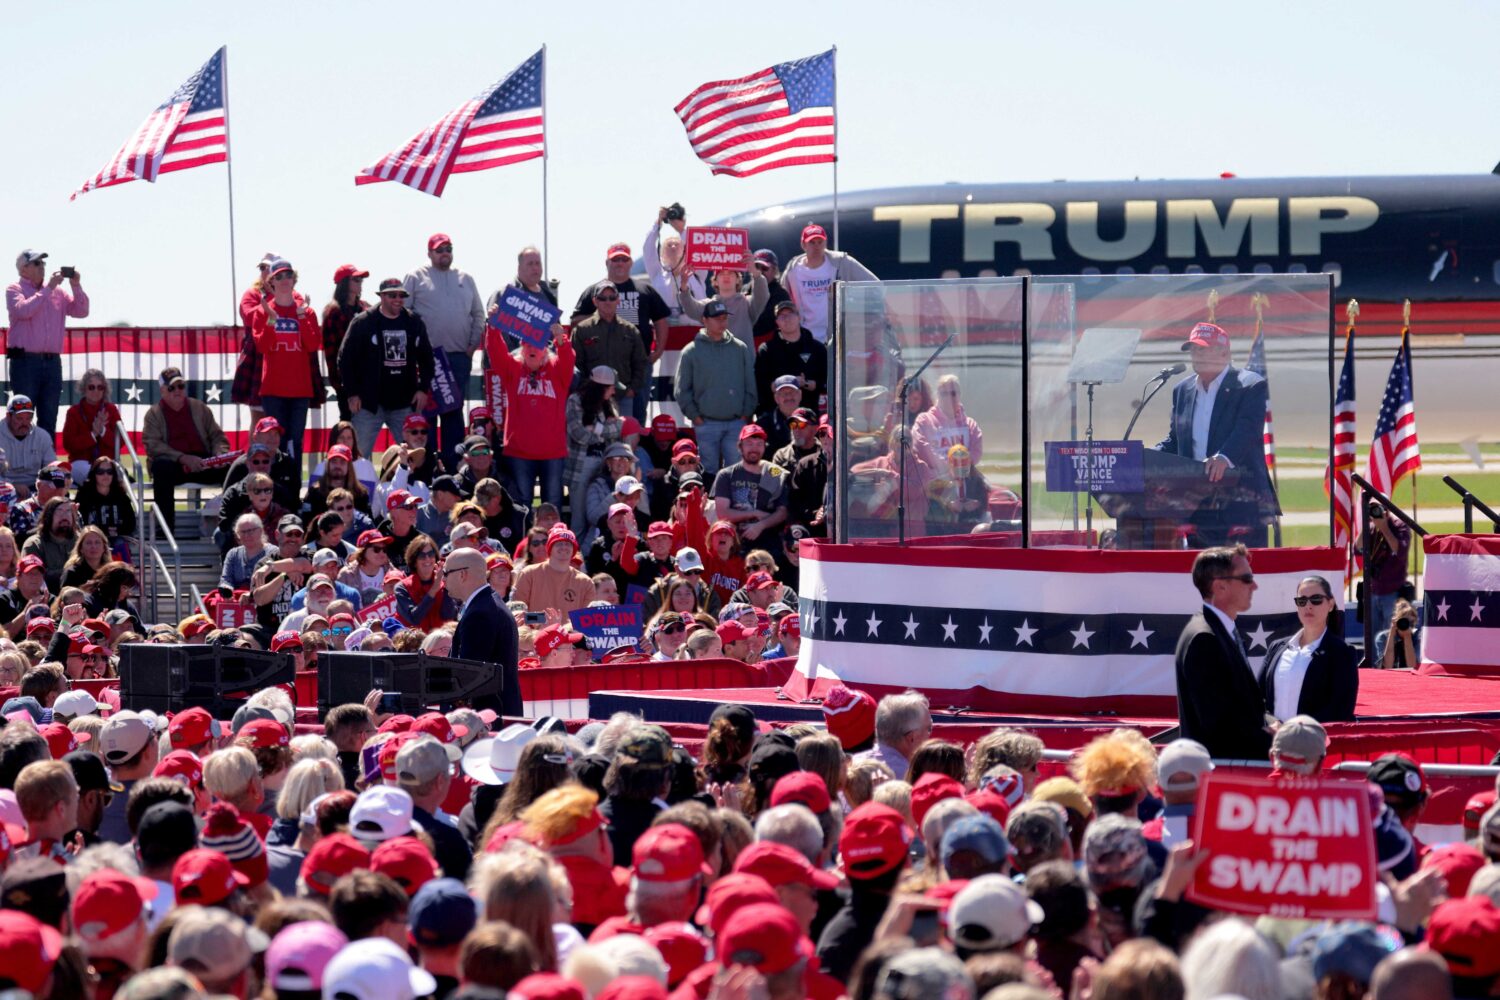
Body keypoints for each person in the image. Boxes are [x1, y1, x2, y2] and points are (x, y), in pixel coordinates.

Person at [1154, 321, 1279, 547]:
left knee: (1242, 572)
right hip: (1197, 504)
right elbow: (1175, 440)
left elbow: (1247, 430)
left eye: (1203, 349)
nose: (1197, 355)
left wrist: (1224, 457)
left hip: (1242, 503)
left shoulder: (1249, 385)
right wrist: (1146, 456)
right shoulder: (1182, 390)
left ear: (1224, 353)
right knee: (1202, 574)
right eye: (1194, 350)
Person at [1174, 544, 1273, 759]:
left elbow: (1242, 707)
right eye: (1246, 579)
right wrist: (1280, 743)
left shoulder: (1223, 630)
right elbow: (1219, 728)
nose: (1254, 586)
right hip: (1222, 776)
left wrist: (1274, 724)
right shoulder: (1204, 639)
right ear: (1220, 587)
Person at [404, 233, 486, 469]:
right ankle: (425, 471)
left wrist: (471, 347)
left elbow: (479, 315)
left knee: (453, 416)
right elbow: (404, 314)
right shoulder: (415, 276)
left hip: (458, 358)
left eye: (448, 248)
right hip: (427, 360)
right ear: (429, 253)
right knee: (425, 417)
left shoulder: (466, 278)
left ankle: (452, 472)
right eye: (439, 250)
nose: (444, 253)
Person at [570, 244, 670, 423]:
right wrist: (601, 317)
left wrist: (659, 351)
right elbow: (575, 321)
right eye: (615, 259)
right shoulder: (592, 290)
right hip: (598, 367)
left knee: (635, 417)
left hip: (637, 364)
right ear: (607, 263)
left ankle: (632, 449)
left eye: (624, 259)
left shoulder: (645, 289)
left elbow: (661, 320)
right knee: (595, 418)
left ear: (630, 263)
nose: (620, 263)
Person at [340, 278, 436, 459]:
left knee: (415, 455)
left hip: (404, 402)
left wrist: (423, 389)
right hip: (369, 403)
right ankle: (358, 488)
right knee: (358, 457)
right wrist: (352, 393)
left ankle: (414, 487)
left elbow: (427, 359)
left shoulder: (413, 322)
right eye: (392, 295)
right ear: (382, 296)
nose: (398, 299)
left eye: (402, 295)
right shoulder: (363, 322)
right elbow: (345, 360)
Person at [489, 320, 572, 510]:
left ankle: (553, 539)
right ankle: (522, 540)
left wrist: (561, 339)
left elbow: (567, 358)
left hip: (553, 453)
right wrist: (493, 328)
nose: (532, 349)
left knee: (552, 504)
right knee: (522, 505)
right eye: (528, 345)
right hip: (520, 453)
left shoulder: (558, 370)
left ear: (546, 348)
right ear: (522, 348)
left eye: (538, 345)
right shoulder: (512, 369)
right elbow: (496, 352)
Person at [6, 249, 89, 436]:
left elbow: (81, 311)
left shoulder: (57, 291)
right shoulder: (14, 289)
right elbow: (23, 311)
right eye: (37, 263)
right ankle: (20, 462)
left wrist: (76, 285)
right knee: (22, 415)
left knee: (49, 416)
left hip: (52, 362)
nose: (42, 266)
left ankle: (47, 464)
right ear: (23, 269)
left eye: (43, 263)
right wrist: (48, 289)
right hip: (25, 362)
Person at [250, 258, 325, 465]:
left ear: (294, 279)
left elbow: (312, 345)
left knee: (295, 443)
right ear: (271, 282)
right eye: (279, 276)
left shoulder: (307, 311)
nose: (284, 279)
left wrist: (300, 316)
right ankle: (273, 491)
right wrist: (272, 319)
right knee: (274, 444)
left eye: (288, 275)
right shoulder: (261, 311)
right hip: (273, 390)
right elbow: (262, 347)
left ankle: (292, 494)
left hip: (300, 390)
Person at [1259, 574, 1359, 722]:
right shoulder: (1276, 648)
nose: (1308, 605)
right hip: (1273, 741)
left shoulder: (1342, 653)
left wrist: (1296, 729)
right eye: (1302, 600)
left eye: (1316, 599)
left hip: (1313, 741)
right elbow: (1257, 699)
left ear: (1330, 604)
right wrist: (1273, 725)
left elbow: (1340, 709)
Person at [674, 301, 758, 477]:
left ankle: (735, 505)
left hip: (736, 422)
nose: (722, 322)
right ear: (704, 320)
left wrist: (745, 414)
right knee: (708, 471)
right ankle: (709, 504)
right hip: (706, 423)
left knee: (736, 472)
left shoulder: (740, 348)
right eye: (717, 318)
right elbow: (682, 389)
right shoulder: (691, 351)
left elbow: (750, 384)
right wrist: (695, 417)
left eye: (725, 318)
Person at [143, 367, 230, 534]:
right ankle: (166, 530)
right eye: (171, 387)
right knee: (160, 467)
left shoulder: (199, 407)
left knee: (235, 468)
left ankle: (229, 526)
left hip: (203, 462)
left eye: (180, 386)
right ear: (162, 391)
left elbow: (217, 436)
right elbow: (153, 445)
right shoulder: (153, 414)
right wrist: (182, 457)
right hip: (174, 464)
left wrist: (220, 455)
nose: (177, 391)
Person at [445, 548, 521, 716]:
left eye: (446, 573)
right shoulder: (487, 604)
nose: (442, 579)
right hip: (498, 716)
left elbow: (467, 677)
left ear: (462, 574)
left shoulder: (480, 613)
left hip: (488, 721)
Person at [571, 280, 651, 431]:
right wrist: (584, 391)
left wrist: (632, 389)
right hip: (591, 399)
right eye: (602, 298)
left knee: (622, 439)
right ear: (595, 301)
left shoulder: (630, 330)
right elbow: (576, 365)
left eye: (612, 297)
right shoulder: (582, 330)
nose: (608, 302)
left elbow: (641, 363)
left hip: (622, 397)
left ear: (618, 300)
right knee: (594, 438)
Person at [780, 224, 878, 344]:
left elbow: (873, 284)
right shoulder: (792, 270)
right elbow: (781, 304)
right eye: (812, 242)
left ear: (825, 243)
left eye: (820, 242)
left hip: (836, 339)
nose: (817, 247)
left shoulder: (842, 263)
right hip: (804, 340)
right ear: (803, 245)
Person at [712, 425, 789, 558]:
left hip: (768, 543)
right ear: (739, 446)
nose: (754, 448)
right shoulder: (726, 475)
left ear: (765, 447)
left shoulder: (775, 473)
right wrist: (754, 513)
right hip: (734, 543)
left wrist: (760, 525)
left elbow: (782, 512)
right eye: (749, 444)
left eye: (759, 444)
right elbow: (723, 513)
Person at [565, 367, 624, 535]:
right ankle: (576, 558)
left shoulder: (609, 405)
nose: (613, 392)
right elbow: (579, 435)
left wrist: (595, 428)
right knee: (579, 519)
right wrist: (604, 429)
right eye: (612, 387)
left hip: (604, 465)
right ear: (601, 387)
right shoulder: (574, 401)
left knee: (602, 514)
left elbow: (618, 429)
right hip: (581, 466)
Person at [678, 252, 769, 348]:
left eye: (730, 273)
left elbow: (762, 296)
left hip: (743, 361)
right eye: (721, 273)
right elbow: (691, 310)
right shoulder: (708, 305)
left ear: (738, 279)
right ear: (715, 281)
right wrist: (684, 285)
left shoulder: (747, 303)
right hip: (716, 360)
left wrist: (755, 272)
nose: (726, 276)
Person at [485, 246, 560, 351]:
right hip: (511, 363)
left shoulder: (549, 297)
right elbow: (497, 334)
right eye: (530, 264)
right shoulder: (503, 294)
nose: (535, 268)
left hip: (543, 363)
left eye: (538, 263)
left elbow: (555, 335)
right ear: (519, 268)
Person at [322, 263, 371, 421]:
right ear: (344, 283)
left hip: (367, 379)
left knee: (366, 424)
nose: (360, 282)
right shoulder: (333, 312)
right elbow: (331, 351)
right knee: (348, 424)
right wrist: (339, 384)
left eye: (360, 279)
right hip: (346, 381)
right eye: (355, 279)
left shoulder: (365, 308)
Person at [1366, 502, 1412, 660]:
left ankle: (1389, 665)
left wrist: (1384, 527)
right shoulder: (1371, 529)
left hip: (1392, 593)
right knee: (1372, 637)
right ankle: (1374, 665)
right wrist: (1367, 524)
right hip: (1373, 591)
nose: (1376, 513)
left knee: (1390, 635)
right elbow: (1357, 548)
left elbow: (1399, 550)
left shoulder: (1400, 527)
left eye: (1378, 509)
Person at [61, 368, 122, 484]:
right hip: (81, 462)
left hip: (107, 461)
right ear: (84, 388)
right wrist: (92, 434)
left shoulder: (111, 410)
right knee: (97, 476)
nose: (96, 391)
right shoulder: (73, 412)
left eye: (100, 387)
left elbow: (121, 442)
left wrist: (103, 431)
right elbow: (68, 444)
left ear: (105, 390)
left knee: (107, 473)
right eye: (91, 387)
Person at [74, 457, 137, 552]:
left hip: (117, 537)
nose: (105, 475)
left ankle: (122, 567)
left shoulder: (121, 495)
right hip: (91, 538)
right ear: (94, 474)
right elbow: (79, 522)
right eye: (100, 472)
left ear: (113, 475)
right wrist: (102, 531)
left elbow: (130, 522)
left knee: (119, 544)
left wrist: (117, 531)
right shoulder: (84, 495)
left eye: (109, 471)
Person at [0, 395, 57, 494]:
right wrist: (12, 486)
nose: (24, 423)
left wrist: (44, 484)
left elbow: (51, 467)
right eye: (19, 418)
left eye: (28, 418)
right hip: (4, 487)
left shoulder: (42, 436)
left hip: (37, 487)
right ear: (8, 416)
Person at [751, 249, 794, 341]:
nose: (760, 272)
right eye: (756, 267)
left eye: (765, 268)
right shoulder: (745, 290)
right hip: (748, 343)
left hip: (770, 345)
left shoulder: (781, 295)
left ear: (775, 270)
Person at [1380, 598, 1422, 670]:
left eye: (1410, 622)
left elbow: (1412, 666)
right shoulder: (1383, 637)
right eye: (1403, 621)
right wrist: (1391, 634)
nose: (1406, 624)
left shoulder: (1417, 637)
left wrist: (1407, 637)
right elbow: (1387, 666)